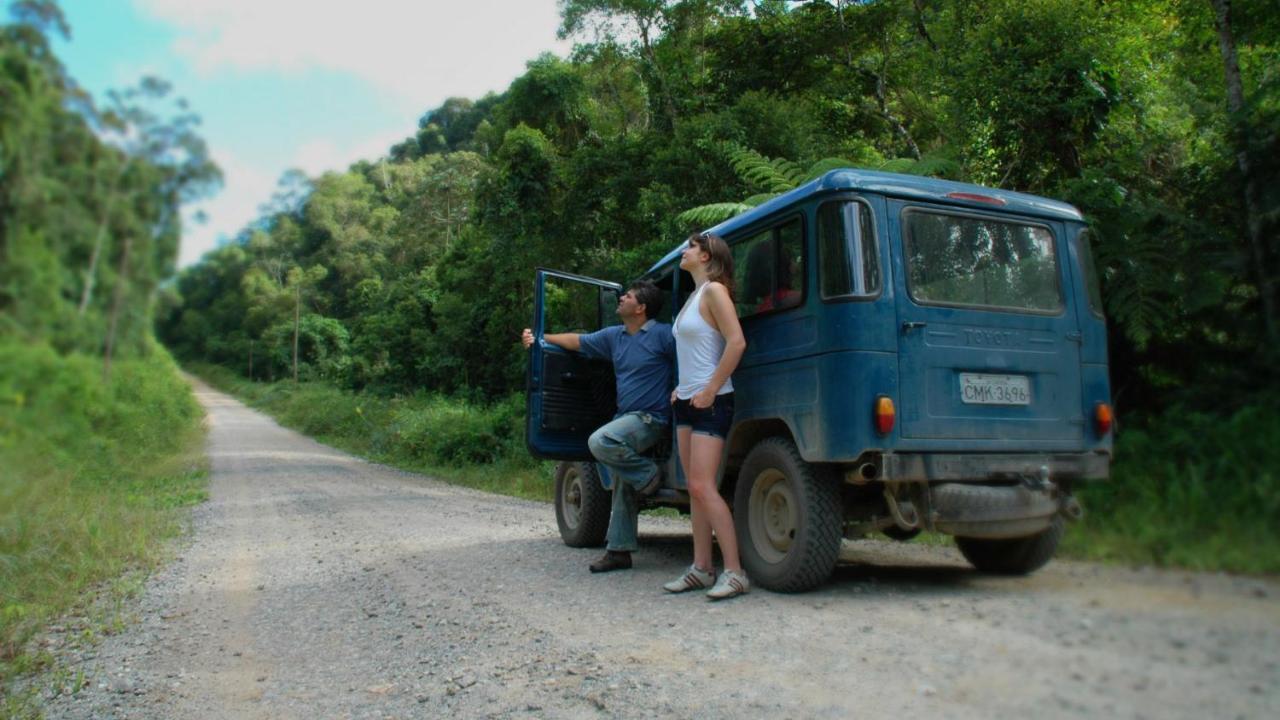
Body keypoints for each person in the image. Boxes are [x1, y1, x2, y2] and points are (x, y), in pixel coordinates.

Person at [522, 280, 674, 574]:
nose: (621, 299)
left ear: (640, 308)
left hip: (651, 419)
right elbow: (576, 341)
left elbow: (689, 359)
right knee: (621, 480)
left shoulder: (663, 335)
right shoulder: (614, 337)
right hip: (625, 419)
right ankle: (619, 551)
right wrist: (540, 338)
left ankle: (648, 474)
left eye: (627, 296)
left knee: (600, 441)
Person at [664, 233, 749, 600]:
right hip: (686, 400)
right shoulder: (692, 298)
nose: (683, 251)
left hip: (712, 401)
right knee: (692, 488)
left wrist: (712, 387)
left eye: (689, 247)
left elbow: (737, 342)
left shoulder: (715, 291)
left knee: (703, 486)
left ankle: (734, 572)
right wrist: (681, 388)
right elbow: (694, 351)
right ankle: (701, 568)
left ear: (706, 255)